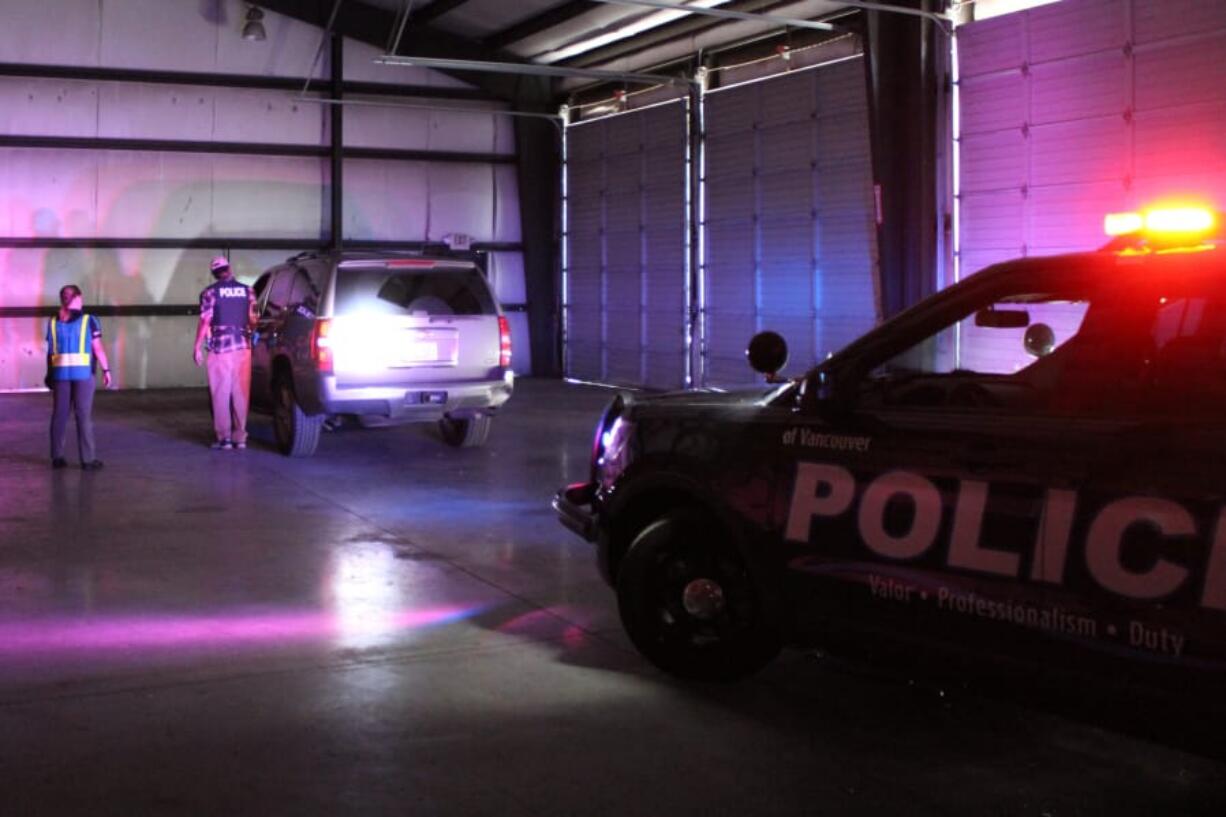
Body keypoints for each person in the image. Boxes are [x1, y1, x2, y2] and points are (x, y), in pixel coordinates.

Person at [193, 256, 257, 450]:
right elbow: (253, 318)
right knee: (241, 393)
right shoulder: (248, 291)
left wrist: (196, 346)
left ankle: (225, 439)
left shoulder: (210, 293)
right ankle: (241, 438)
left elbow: (205, 321)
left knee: (221, 393)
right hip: (243, 347)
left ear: (214, 274)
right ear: (229, 269)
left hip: (221, 348)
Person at [46, 284, 112, 470]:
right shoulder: (89, 320)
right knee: (83, 416)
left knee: (59, 415)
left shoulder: (52, 321)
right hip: (83, 375)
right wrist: (107, 370)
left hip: (60, 374)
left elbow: (50, 352)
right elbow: (97, 348)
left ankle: (57, 457)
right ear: (77, 297)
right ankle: (88, 460)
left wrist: (49, 374)